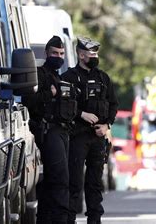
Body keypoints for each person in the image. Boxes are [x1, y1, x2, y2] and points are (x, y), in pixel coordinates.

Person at [62, 37, 119, 224]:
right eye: (91, 53)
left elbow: (113, 104)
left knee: (95, 184)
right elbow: (62, 107)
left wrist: (107, 125)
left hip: (98, 138)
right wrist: (81, 114)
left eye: (96, 53)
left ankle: (95, 221)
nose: (94, 56)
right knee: (74, 184)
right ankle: (69, 220)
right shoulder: (69, 78)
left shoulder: (103, 78)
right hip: (77, 136)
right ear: (80, 54)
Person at [22, 36, 77, 224]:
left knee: (53, 181)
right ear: (46, 53)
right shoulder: (40, 75)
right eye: (55, 53)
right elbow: (29, 101)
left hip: (62, 132)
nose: (59, 56)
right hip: (48, 131)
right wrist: (50, 93)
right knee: (60, 180)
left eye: (61, 53)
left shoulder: (59, 77)